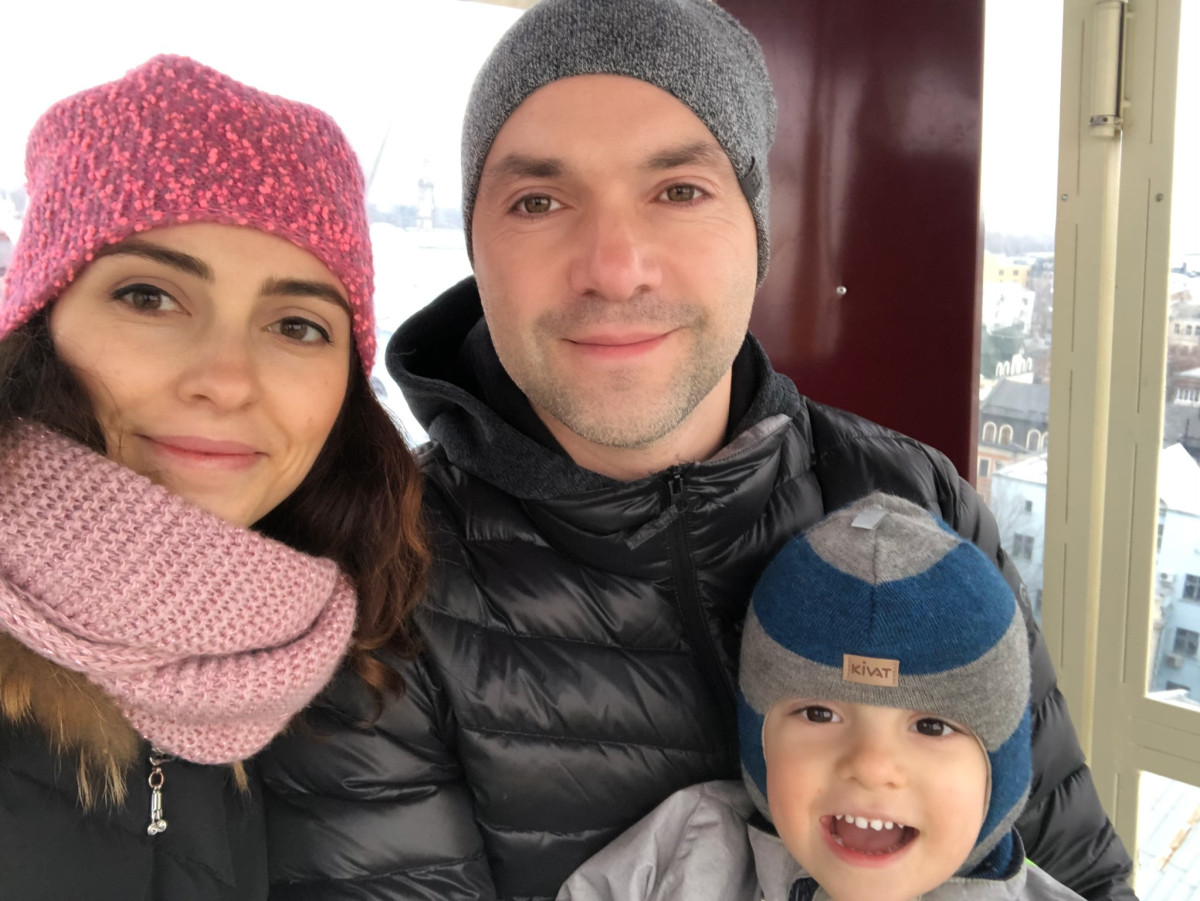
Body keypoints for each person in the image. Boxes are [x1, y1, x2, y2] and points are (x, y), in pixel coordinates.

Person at [259, 1, 1134, 899]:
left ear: (756, 230)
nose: (614, 268)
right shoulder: (381, 577)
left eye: (678, 191)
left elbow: (1075, 869)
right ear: (477, 248)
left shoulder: (916, 499)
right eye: (538, 201)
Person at [0, 55, 427, 901]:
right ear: (40, 322)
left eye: (297, 325)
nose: (227, 381)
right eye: (150, 297)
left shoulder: (304, 665)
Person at [556, 492, 1085, 901]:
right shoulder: (689, 850)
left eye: (931, 726)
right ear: (758, 743)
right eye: (819, 713)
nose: (871, 766)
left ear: (1002, 772)